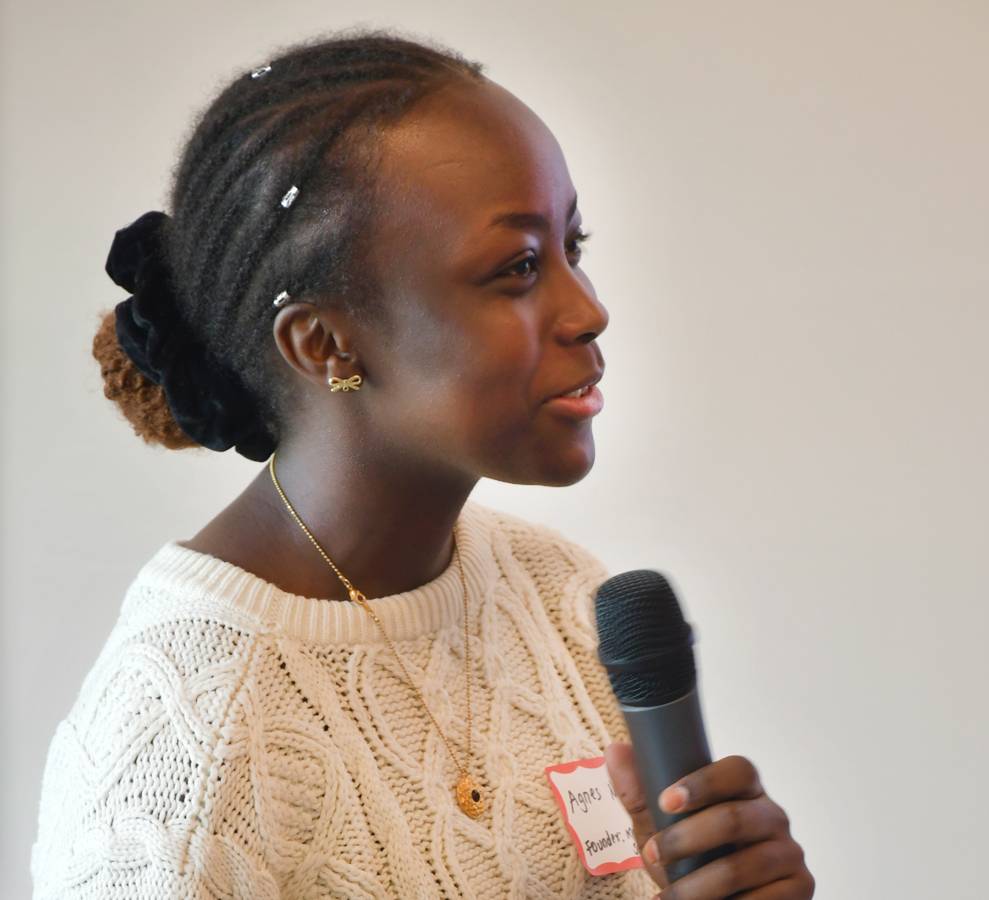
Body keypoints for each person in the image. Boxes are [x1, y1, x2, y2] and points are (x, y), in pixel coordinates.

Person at [30, 29, 815, 899]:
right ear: (326, 344)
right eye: (517, 268)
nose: (588, 310)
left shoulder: (559, 598)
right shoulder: (180, 760)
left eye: (571, 249)